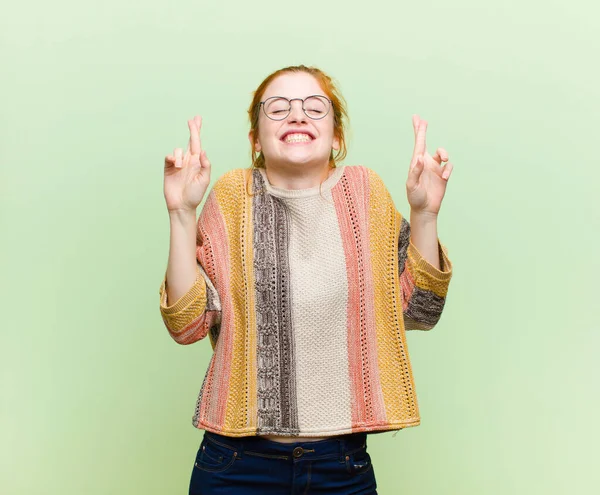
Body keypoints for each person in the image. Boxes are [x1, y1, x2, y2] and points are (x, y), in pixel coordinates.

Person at [159, 65, 454, 495]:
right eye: (277, 108)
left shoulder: (365, 192)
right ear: (255, 139)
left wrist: (425, 215)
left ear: (336, 136)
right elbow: (186, 326)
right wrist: (181, 214)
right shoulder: (229, 197)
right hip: (235, 465)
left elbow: (421, 311)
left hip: (341, 467)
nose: (297, 116)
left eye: (315, 108)